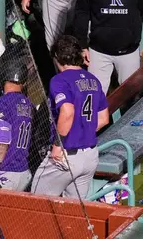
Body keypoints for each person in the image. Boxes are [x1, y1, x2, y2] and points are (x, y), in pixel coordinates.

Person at [31, 35, 110, 198]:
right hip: (89, 156)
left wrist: (58, 145)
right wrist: (82, 129)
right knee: (73, 213)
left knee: (37, 204)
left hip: (66, 154)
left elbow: (67, 111)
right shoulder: (93, 79)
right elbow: (103, 119)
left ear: (56, 58)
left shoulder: (59, 80)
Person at [0, 61, 34, 191]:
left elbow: (2, 139)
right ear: (24, 82)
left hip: (4, 171)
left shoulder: (2, 103)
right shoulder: (28, 104)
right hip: (23, 171)